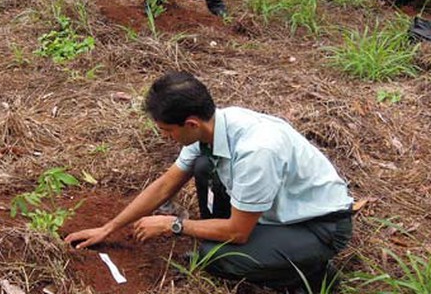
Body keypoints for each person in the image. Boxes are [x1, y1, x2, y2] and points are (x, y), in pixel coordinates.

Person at [64, 71, 353, 292]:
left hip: (316, 226)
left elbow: (239, 232)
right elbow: (167, 184)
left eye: (167, 130)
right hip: (274, 212)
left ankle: (313, 273)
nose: (165, 136)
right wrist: (109, 227)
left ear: (190, 123)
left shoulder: (256, 151)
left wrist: (173, 225)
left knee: (214, 258)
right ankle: (238, 242)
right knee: (204, 166)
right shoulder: (213, 127)